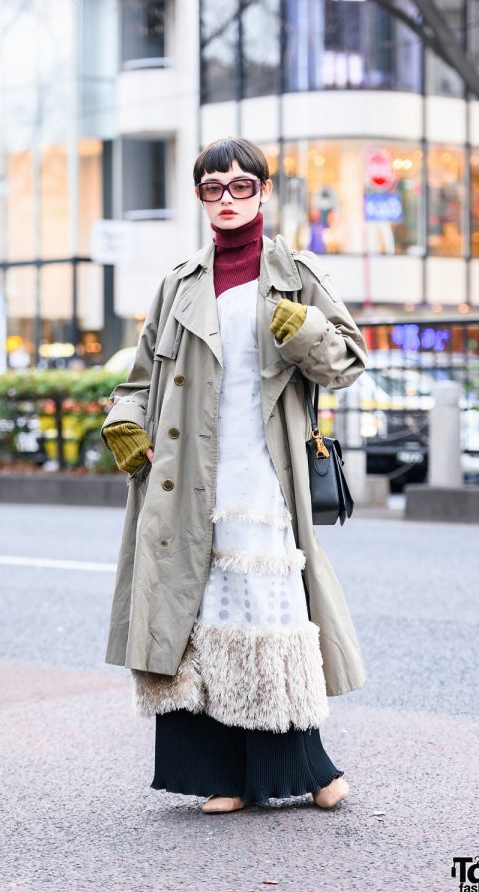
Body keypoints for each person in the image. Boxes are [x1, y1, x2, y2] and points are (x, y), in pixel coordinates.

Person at [100, 136, 369, 814]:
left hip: (264, 480)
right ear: (200, 197)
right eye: (212, 187)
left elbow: (346, 362)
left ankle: (308, 770)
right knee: (198, 622)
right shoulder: (178, 282)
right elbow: (137, 383)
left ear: (262, 191)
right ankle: (220, 776)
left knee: (270, 620)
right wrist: (126, 430)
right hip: (187, 482)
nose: (226, 198)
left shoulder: (295, 272)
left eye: (240, 186)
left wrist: (299, 325)